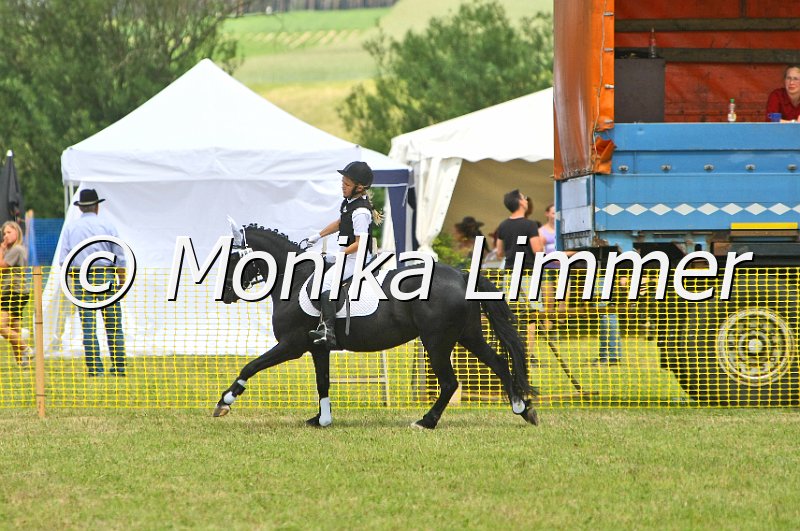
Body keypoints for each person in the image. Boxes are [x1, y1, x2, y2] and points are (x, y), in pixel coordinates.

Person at [306, 161, 380, 349]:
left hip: (358, 258)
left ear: (359, 187)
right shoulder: (350, 204)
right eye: (342, 183)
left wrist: (339, 254)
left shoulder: (361, 212)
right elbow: (340, 223)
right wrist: (317, 235)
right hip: (349, 255)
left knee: (326, 283)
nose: (343, 187)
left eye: (347, 185)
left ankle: (328, 330)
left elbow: (360, 243)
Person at [59, 189, 127, 377]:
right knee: (113, 324)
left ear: (81, 208)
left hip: (81, 276)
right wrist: (121, 278)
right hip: (106, 275)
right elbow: (119, 254)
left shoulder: (71, 228)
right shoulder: (107, 226)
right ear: (97, 206)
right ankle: (119, 368)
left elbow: (63, 260)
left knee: (88, 325)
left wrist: (74, 276)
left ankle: (95, 369)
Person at [0, 221, 33, 367]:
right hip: (17, 292)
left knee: (1, 326)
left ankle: (26, 349)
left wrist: (1, 248)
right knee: (14, 328)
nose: (5, 236)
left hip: (14, 292)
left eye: (9, 232)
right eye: (4, 234)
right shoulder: (14, 249)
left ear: (17, 232)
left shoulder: (16, 249)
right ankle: (23, 364)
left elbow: (2, 266)